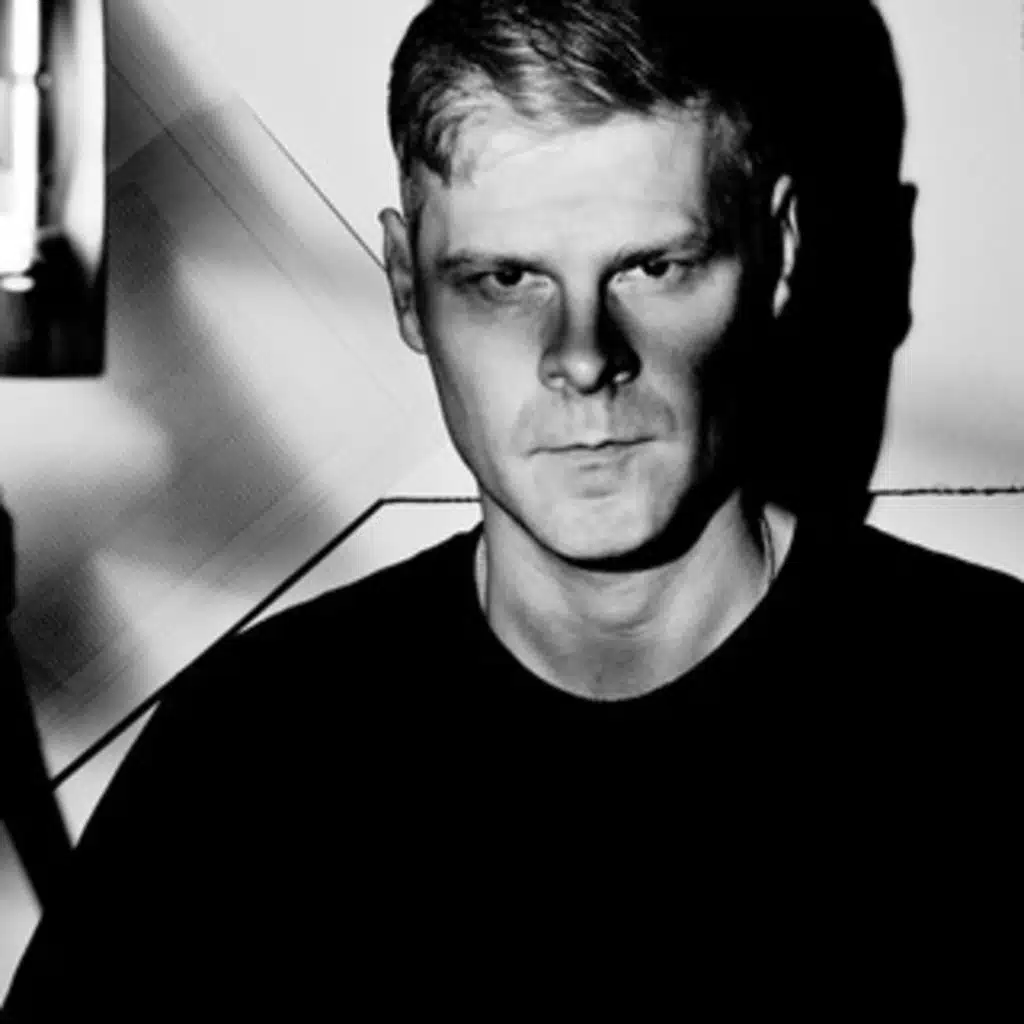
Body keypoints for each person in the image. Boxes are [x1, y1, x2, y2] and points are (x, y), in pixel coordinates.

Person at [4, 1, 1021, 1016]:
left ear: (776, 251)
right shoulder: (245, 760)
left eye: (653, 266)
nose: (583, 356)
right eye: (503, 279)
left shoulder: (995, 705)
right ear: (406, 286)